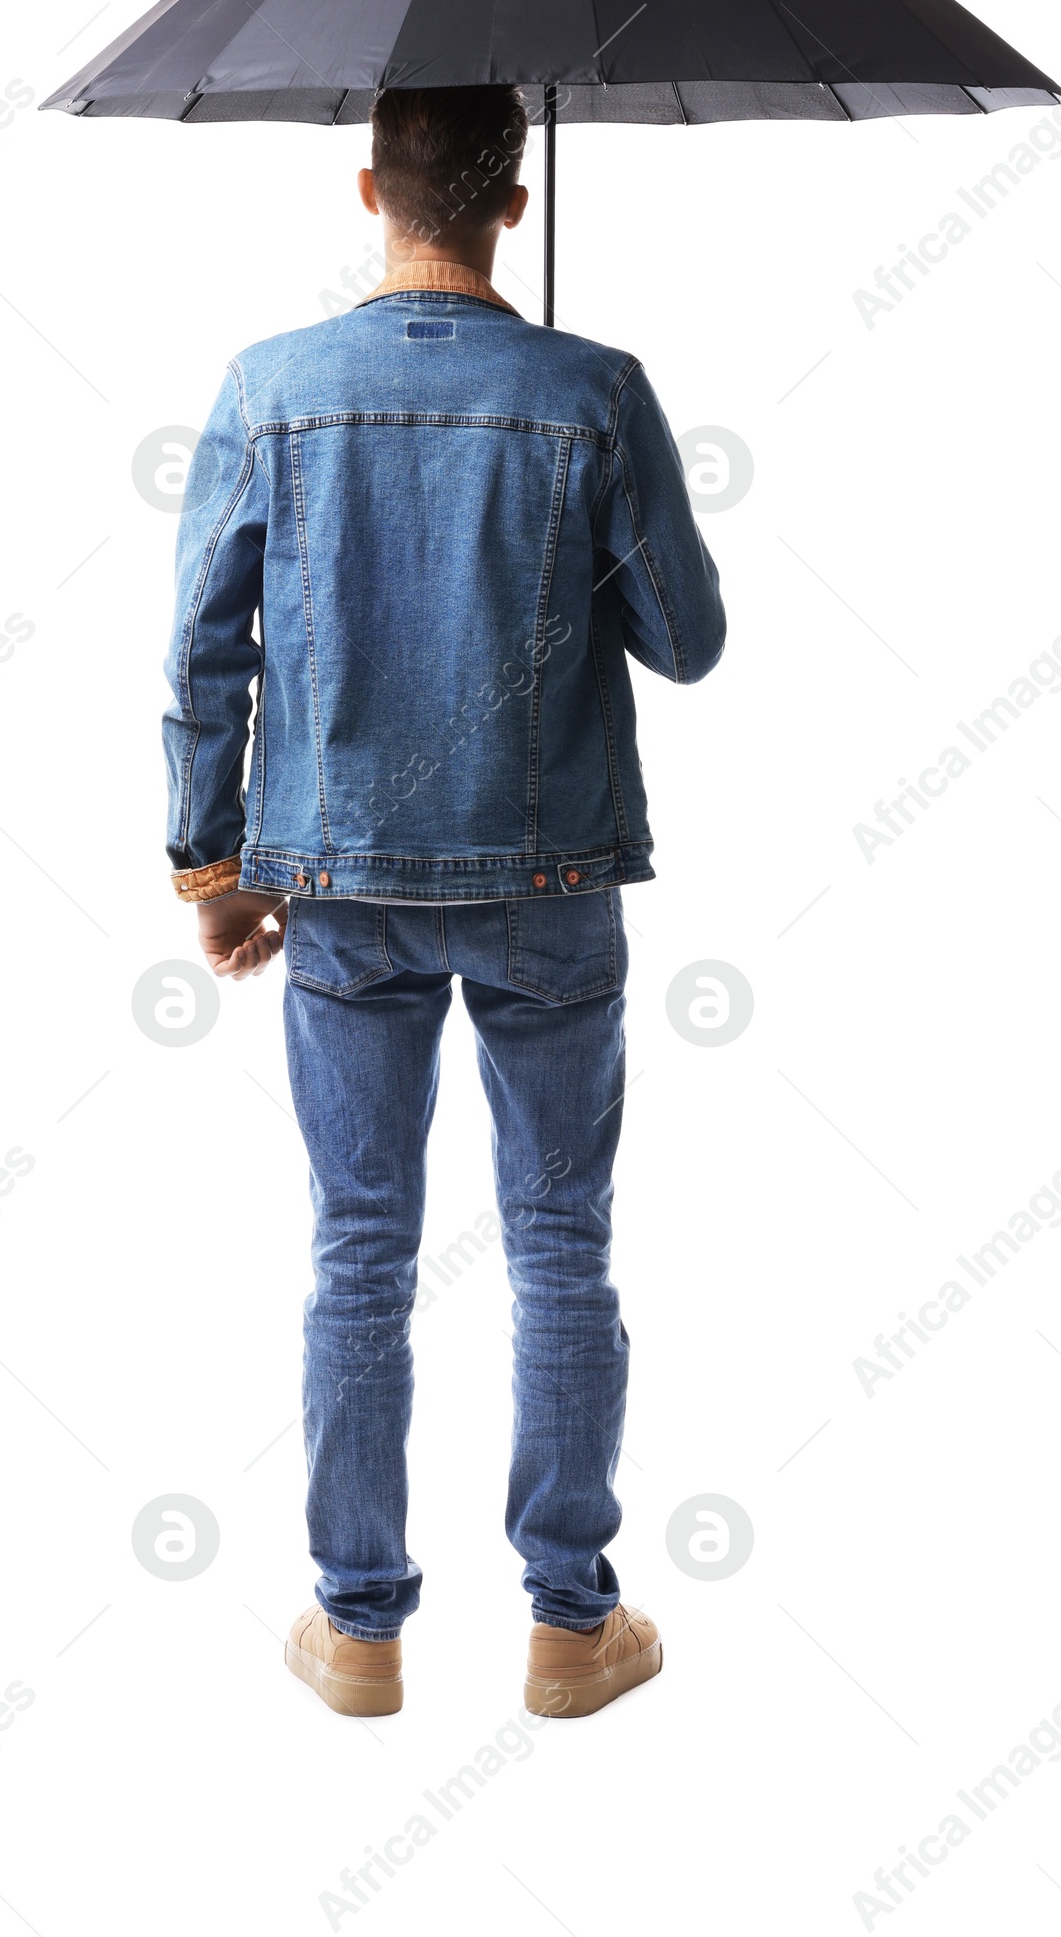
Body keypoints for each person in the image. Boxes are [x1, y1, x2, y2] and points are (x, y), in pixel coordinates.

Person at [163, 85, 725, 1717]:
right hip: (551, 881)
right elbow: (685, 642)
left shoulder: (272, 390)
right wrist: (582, 488)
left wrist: (213, 867)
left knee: (361, 1251)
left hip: (334, 886)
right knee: (561, 1245)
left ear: (368, 188)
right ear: (517, 203)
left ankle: (357, 1630)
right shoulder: (591, 389)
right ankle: (570, 1622)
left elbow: (206, 651)